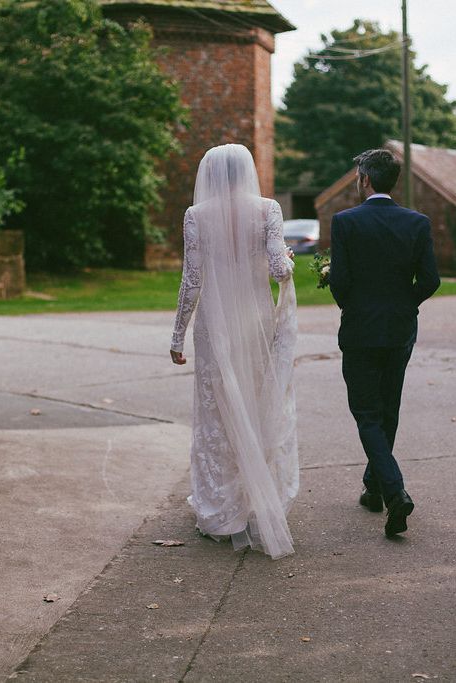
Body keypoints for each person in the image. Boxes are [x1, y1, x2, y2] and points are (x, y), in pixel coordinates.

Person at [170, 143, 298, 560]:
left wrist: (177, 336)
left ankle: (221, 513)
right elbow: (280, 270)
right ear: (245, 172)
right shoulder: (268, 209)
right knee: (257, 404)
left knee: (217, 412)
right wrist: (288, 261)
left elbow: (192, 281)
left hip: (216, 326)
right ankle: (256, 499)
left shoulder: (196, 216)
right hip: (255, 323)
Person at [329, 148, 440, 538]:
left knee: (366, 414)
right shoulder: (417, 223)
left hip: (360, 329)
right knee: (387, 409)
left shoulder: (345, 222)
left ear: (365, 180)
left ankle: (394, 492)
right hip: (399, 329)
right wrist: (402, 305)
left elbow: (340, 281)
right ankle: (374, 487)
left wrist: (356, 307)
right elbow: (430, 281)